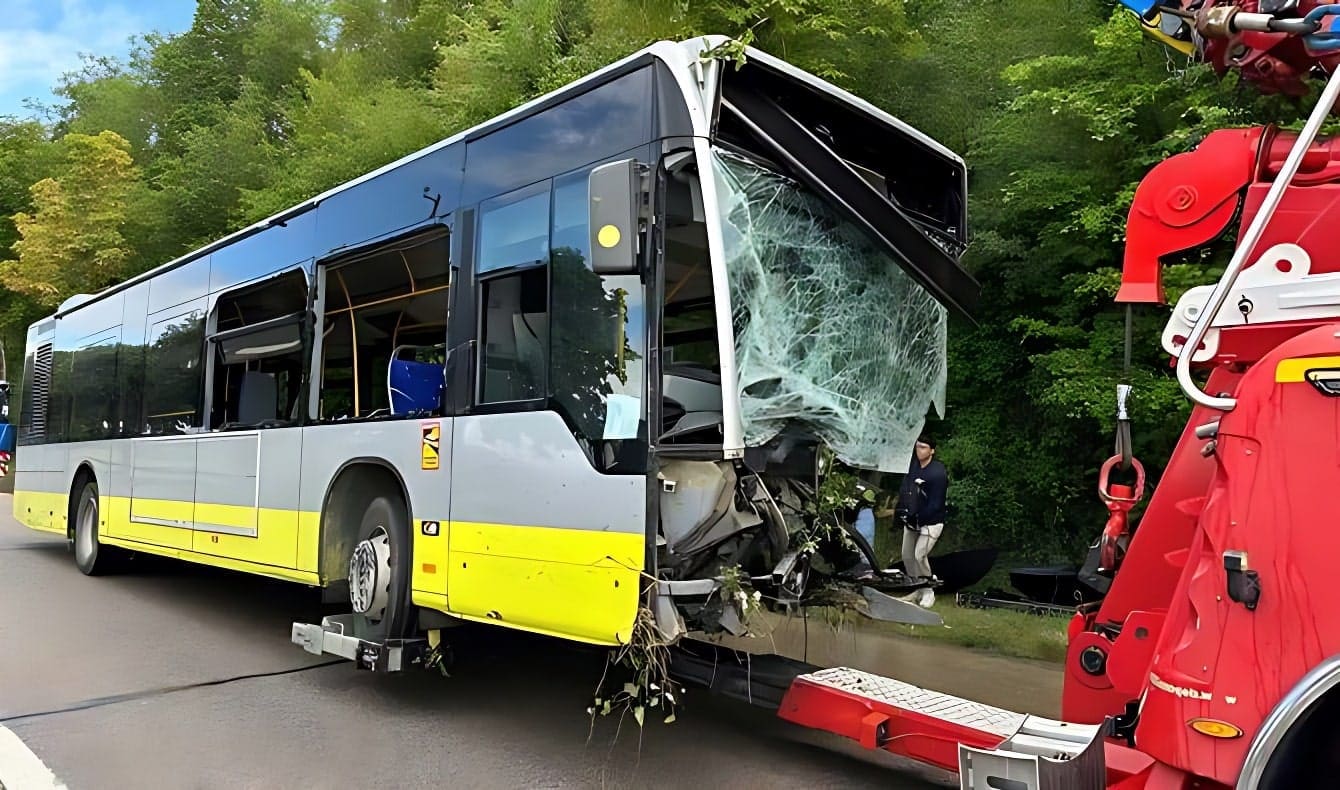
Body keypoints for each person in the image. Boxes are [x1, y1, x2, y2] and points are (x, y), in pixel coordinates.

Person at [894, 435, 947, 608]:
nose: (919, 450)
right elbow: (905, 490)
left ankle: (928, 591)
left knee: (919, 555)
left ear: (932, 451)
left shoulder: (938, 472)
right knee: (907, 556)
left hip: (931, 521)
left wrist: (919, 518)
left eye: (923, 447)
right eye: (917, 447)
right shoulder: (913, 467)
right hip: (911, 519)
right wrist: (902, 512)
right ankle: (916, 587)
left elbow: (936, 503)